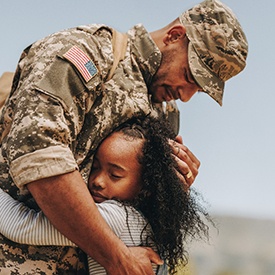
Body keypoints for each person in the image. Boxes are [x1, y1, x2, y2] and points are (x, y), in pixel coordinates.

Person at [0, 0, 248, 273]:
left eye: (198, 89)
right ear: (175, 35)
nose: (186, 96)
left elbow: (140, 217)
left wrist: (174, 188)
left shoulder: (165, 112)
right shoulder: (88, 54)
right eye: (189, 75)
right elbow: (40, 160)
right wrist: (116, 257)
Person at [0, 116, 211, 275]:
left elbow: (21, 226)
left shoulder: (119, 218)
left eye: (115, 175)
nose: (98, 181)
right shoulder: (147, 222)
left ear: (145, 186)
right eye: (96, 167)